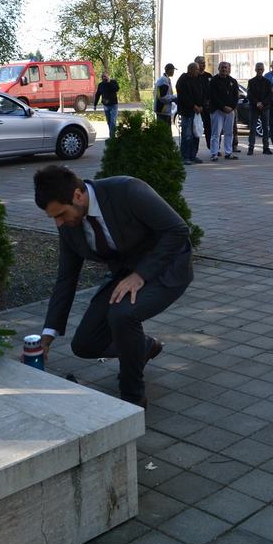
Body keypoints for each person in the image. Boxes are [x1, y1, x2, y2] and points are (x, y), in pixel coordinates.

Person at [33, 165, 193, 409]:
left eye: (61, 214)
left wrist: (140, 274)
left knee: (122, 314)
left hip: (167, 266)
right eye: (53, 217)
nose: (59, 223)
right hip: (125, 273)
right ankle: (143, 347)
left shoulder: (128, 190)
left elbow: (177, 230)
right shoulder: (68, 226)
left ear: (77, 195)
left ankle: (132, 399)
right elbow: (66, 278)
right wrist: (47, 336)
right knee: (84, 344)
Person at [208, 62, 240, 161]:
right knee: (216, 133)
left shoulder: (233, 81)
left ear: (228, 69)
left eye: (226, 67)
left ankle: (228, 153)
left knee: (229, 132)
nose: (224, 69)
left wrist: (232, 107)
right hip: (217, 110)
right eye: (222, 67)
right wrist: (223, 107)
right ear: (218, 68)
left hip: (230, 111)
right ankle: (214, 153)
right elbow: (213, 96)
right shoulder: (213, 81)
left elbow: (236, 96)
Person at [175, 62, 205, 165]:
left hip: (197, 112)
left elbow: (203, 93)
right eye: (196, 69)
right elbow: (183, 96)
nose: (198, 71)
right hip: (187, 111)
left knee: (196, 134)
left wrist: (201, 106)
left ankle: (193, 155)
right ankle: (185, 156)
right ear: (190, 69)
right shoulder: (183, 80)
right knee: (187, 135)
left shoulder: (198, 79)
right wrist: (193, 106)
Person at [246, 62, 273, 155]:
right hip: (254, 107)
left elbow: (270, 95)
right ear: (255, 70)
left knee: (265, 128)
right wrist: (257, 102)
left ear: (263, 70)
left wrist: (263, 103)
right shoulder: (251, 81)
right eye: (258, 69)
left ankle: (266, 148)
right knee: (252, 128)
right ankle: (251, 148)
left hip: (265, 108)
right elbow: (249, 95)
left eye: (261, 69)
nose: (260, 71)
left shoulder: (267, 82)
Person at [94, 72, 120, 138]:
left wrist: (109, 82)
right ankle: (112, 136)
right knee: (109, 122)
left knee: (113, 121)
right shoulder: (101, 85)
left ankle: (112, 138)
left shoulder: (113, 82)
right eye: (103, 76)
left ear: (108, 76)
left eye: (105, 76)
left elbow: (116, 89)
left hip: (114, 105)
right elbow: (97, 95)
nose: (104, 78)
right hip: (106, 106)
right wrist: (95, 104)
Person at [194, 56, 213, 148]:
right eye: (201, 63)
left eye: (204, 63)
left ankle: (212, 148)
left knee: (209, 128)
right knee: (195, 128)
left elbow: (213, 91)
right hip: (196, 107)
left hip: (207, 107)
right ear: (196, 64)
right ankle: (194, 151)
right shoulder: (194, 76)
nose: (204, 65)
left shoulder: (209, 76)